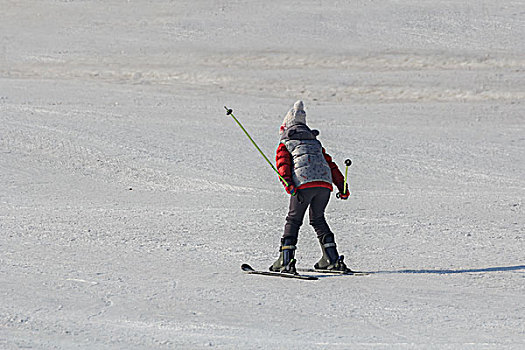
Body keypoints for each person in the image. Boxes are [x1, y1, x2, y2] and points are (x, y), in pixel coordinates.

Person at [270, 100, 353, 274]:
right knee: (318, 219)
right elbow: (331, 165)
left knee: (293, 219)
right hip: (324, 186)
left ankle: (286, 260)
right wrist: (342, 187)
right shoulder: (316, 144)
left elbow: (283, 165)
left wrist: (289, 184)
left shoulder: (285, 143)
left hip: (303, 185)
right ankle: (331, 258)